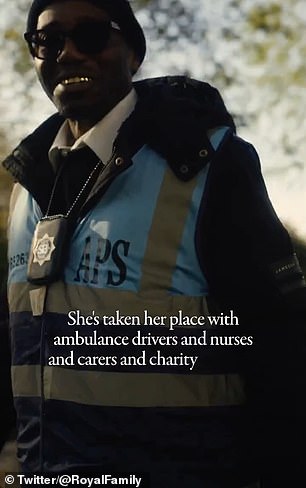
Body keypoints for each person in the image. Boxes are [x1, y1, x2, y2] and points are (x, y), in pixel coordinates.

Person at [1, 0, 306, 486]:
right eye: (48, 40)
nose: (68, 53)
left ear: (133, 53)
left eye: (93, 36)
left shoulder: (210, 164)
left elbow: (282, 355)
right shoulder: (26, 185)